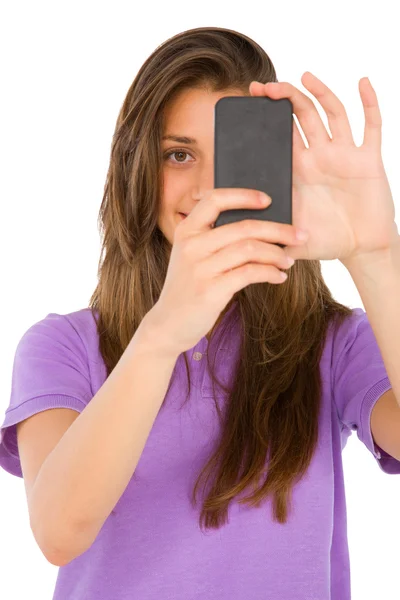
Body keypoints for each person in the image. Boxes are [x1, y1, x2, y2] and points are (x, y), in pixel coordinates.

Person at [1, 26, 399, 600]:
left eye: (236, 158)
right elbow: (59, 532)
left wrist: (376, 253)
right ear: (137, 168)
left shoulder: (331, 345)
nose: (209, 190)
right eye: (179, 154)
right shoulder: (61, 347)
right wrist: (162, 333)